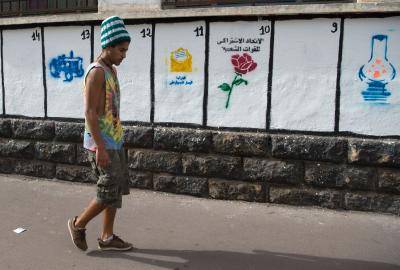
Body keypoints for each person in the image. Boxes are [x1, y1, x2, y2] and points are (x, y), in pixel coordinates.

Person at [67, 16, 132, 251]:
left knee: (115, 191)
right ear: (109, 46)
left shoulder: (111, 70)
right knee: (107, 189)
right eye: (121, 50)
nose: (124, 54)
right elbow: (90, 112)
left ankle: (107, 237)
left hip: (114, 140)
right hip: (101, 144)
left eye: (126, 50)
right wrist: (101, 148)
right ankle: (78, 224)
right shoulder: (96, 73)